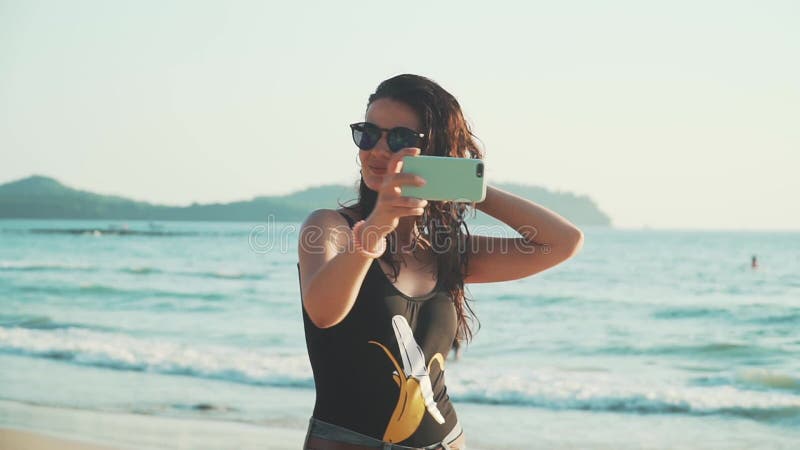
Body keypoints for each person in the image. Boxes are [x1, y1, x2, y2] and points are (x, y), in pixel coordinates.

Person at [297, 74, 584, 450]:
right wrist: (378, 226)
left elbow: (562, 242)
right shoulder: (329, 229)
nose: (377, 150)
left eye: (399, 138)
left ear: (434, 153)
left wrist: (466, 185)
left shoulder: (446, 253)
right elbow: (324, 311)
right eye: (368, 133)